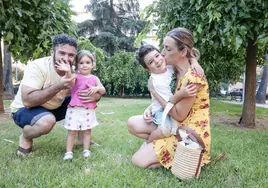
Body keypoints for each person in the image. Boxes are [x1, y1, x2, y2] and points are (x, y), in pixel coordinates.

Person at [127, 27, 211, 169]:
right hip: (173, 123)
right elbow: (191, 56)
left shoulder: (192, 77)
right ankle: (158, 145)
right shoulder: (175, 69)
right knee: (132, 123)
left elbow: (178, 115)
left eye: (167, 49)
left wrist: (153, 91)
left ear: (182, 51)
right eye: (163, 48)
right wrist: (150, 108)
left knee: (138, 160)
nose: (162, 54)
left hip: (189, 135)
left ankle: (179, 157)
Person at [10, 34, 101, 156]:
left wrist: (95, 96)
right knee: (47, 121)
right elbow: (27, 101)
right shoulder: (38, 66)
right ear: (52, 52)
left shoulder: (73, 71)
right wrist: (59, 85)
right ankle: (26, 137)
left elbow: (92, 90)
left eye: (70, 55)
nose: (66, 58)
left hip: (53, 107)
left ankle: (81, 139)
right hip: (25, 109)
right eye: (62, 53)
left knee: (83, 101)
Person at [135, 44, 197, 145]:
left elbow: (190, 54)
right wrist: (182, 94)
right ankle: (148, 144)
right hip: (161, 109)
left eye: (157, 56)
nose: (157, 61)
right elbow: (169, 102)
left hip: (169, 106)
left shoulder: (169, 66)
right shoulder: (156, 81)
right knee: (165, 130)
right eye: (151, 62)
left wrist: (195, 62)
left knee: (172, 129)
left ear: (161, 54)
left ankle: (160, 141)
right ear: (148, 69)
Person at [57, 50, 105, 160]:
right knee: (72, 131)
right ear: (77, 65)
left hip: (88, 110)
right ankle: (69, 152)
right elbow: (69, 81)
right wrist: (67, 71)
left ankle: (86, 150)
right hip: (74, 110)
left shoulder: (94, 78)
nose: (84, 65)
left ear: (93, 65)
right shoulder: (75, 76)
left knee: (87, 131)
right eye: (81, 62)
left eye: (88, 62)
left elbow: (103, 90)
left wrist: (97, 88)